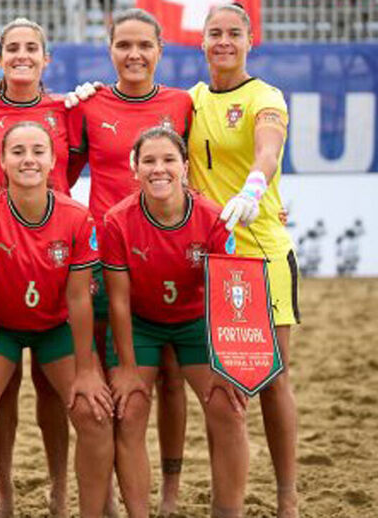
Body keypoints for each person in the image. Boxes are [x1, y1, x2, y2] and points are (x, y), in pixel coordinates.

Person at [64, 9, 193, 513]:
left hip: (167, 254)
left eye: (144, 45)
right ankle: (115, 495)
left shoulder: (182, 103)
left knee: (170, 377)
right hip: (104, 257)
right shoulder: (90, 105)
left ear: (161, 49)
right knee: (115, 378)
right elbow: (60, 174)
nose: (134, 54)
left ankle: (171, 489)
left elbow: (195, 170)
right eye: (124, 45)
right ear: (110, 50)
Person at [0, 121, 114, 518]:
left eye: (38, 151)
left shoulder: (77, 217)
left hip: (55, 327)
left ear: (53, 160)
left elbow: (79, 297)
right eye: (18, 152)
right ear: (3, 162)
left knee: (94, 412)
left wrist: (87, 368)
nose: (29, 159)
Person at [102, 126, 249, 518]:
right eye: (148, 161)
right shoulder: (117, 221)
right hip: (142, 322)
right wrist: (129, 368)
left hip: (196, 322)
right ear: (134, 169)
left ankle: (227, 511)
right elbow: (118, 300)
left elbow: (228, 296)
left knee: (229, 407)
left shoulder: (213, 219)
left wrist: (227, 363)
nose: (158, 169)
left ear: (185, 167)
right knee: (129, 409)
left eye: (168, 160)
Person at [188, 5, 299, 516]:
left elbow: (268, 150)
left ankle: (286, 496)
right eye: (216, 34)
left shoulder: (265, 97)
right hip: (210, 258)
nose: (224, 41)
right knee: (219, 385)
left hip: (262, 251)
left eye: (234, 33)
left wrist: (255, 188)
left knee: (273, 376)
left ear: (250, 41)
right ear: (202, 41)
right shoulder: (190, 101)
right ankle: (224, 496)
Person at [0, 18, 75, 516]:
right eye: (13, 47)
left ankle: (58, 488)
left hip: (56, 259)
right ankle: (5, 492)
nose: (22, 55)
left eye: (32, 47)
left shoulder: (68, 109)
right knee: (1, 392)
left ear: (46, 58)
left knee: (56, 394)